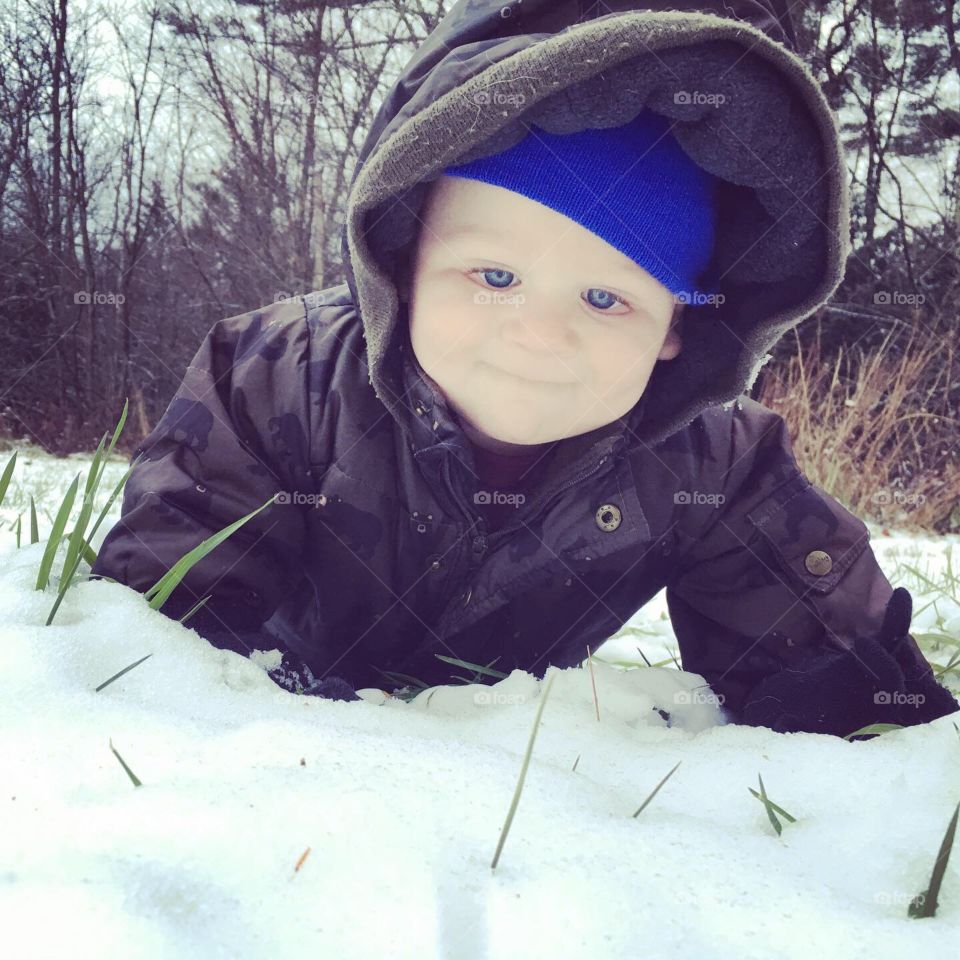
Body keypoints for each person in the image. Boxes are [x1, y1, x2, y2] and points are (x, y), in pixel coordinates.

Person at [91, 0, 959, 736]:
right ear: (405, 268)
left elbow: (843, 692)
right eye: (495, 277)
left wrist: (878, 732)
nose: (541, 335)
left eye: (606, 299)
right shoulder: (279, 375)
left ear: (674, 330)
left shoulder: (711, 464)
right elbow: (154, 650)